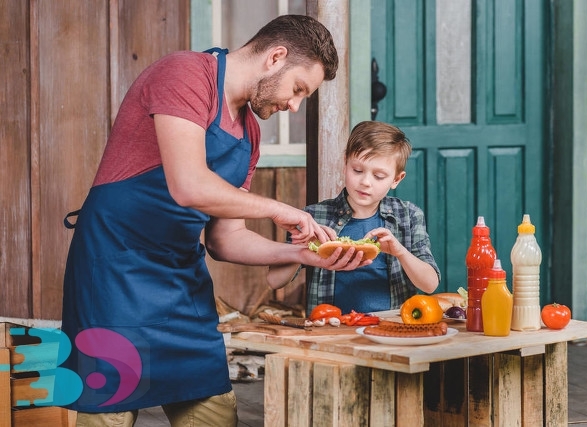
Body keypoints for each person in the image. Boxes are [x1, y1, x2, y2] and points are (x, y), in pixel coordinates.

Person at [60, 15, 364, 427]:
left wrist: (302, 254)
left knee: (214, 411)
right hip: (114, 269)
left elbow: (225, 239)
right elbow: (188, 185)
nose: (293, 105)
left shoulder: (249, 135)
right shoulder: (185, 74)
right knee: (111, 410)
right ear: (275, 57)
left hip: (179, 277)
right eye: (298, 90)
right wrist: (279, 209)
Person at [267, 121, 441, 314]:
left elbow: (430, 285)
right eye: (357, 170)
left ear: (396, 179)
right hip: (330, 329)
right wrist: (301, 246)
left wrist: (400, 252)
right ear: (345, 164)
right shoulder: (314, 216)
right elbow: (274, 281)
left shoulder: (408, 216)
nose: (365, 182)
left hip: (392, 330)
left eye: (379, 176)